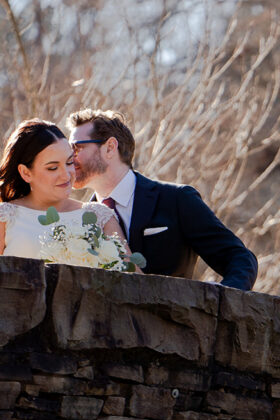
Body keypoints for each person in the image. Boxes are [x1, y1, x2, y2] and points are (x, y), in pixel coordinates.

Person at [66, 109, 258, 290]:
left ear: (110, 148)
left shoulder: (176, 200)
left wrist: (219, 305)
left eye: (77, 147)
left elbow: (239, 258)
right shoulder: (77, 218)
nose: (69, 157)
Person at [0, 119, 132, 261]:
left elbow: (134, 283)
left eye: (69, 163)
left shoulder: (100, 217)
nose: (66, 175)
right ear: (26, 173)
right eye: (53, 168)